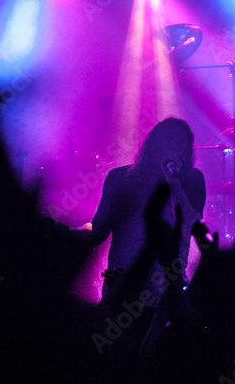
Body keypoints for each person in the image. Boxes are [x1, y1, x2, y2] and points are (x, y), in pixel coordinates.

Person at [87, 118, 206, 301]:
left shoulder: (193, 179)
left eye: (179, 141)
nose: (172, 145)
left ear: (186, 149)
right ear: (153, 143)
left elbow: (190, 226)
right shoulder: (119, 178)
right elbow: (99, 232)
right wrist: (65, 232)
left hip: (168, 283)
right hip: (123, 278)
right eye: (168, 138)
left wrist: (173, 182)